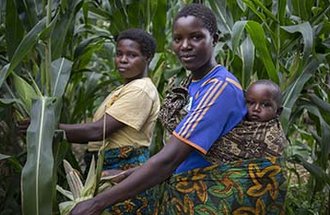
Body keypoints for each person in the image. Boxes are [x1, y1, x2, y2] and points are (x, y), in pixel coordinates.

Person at [70, 4, 286, 215]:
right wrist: (130, 174)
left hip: (210, 195)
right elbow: (182, 153)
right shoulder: (190, 85)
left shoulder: (220, 88)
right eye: (178, 39)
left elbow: (169, 159)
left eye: (196, 37)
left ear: (215, 39)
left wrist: (97, 204)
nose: (185, 45)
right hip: (185, 192)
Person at [59, 28, 161, 213]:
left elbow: (98, 131)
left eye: (132, 55)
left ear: (148, 58)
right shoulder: (126, 88)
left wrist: (46, 128)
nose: (123, 60)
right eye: (119, 53)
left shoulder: (141, 89)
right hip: (108, 171)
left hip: (122, 172)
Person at [205, 79, 287, 164]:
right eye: (250, 103)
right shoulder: (233, 120)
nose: (256, 109)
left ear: (278, 111)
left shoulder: (274, 137)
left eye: (265, 105)